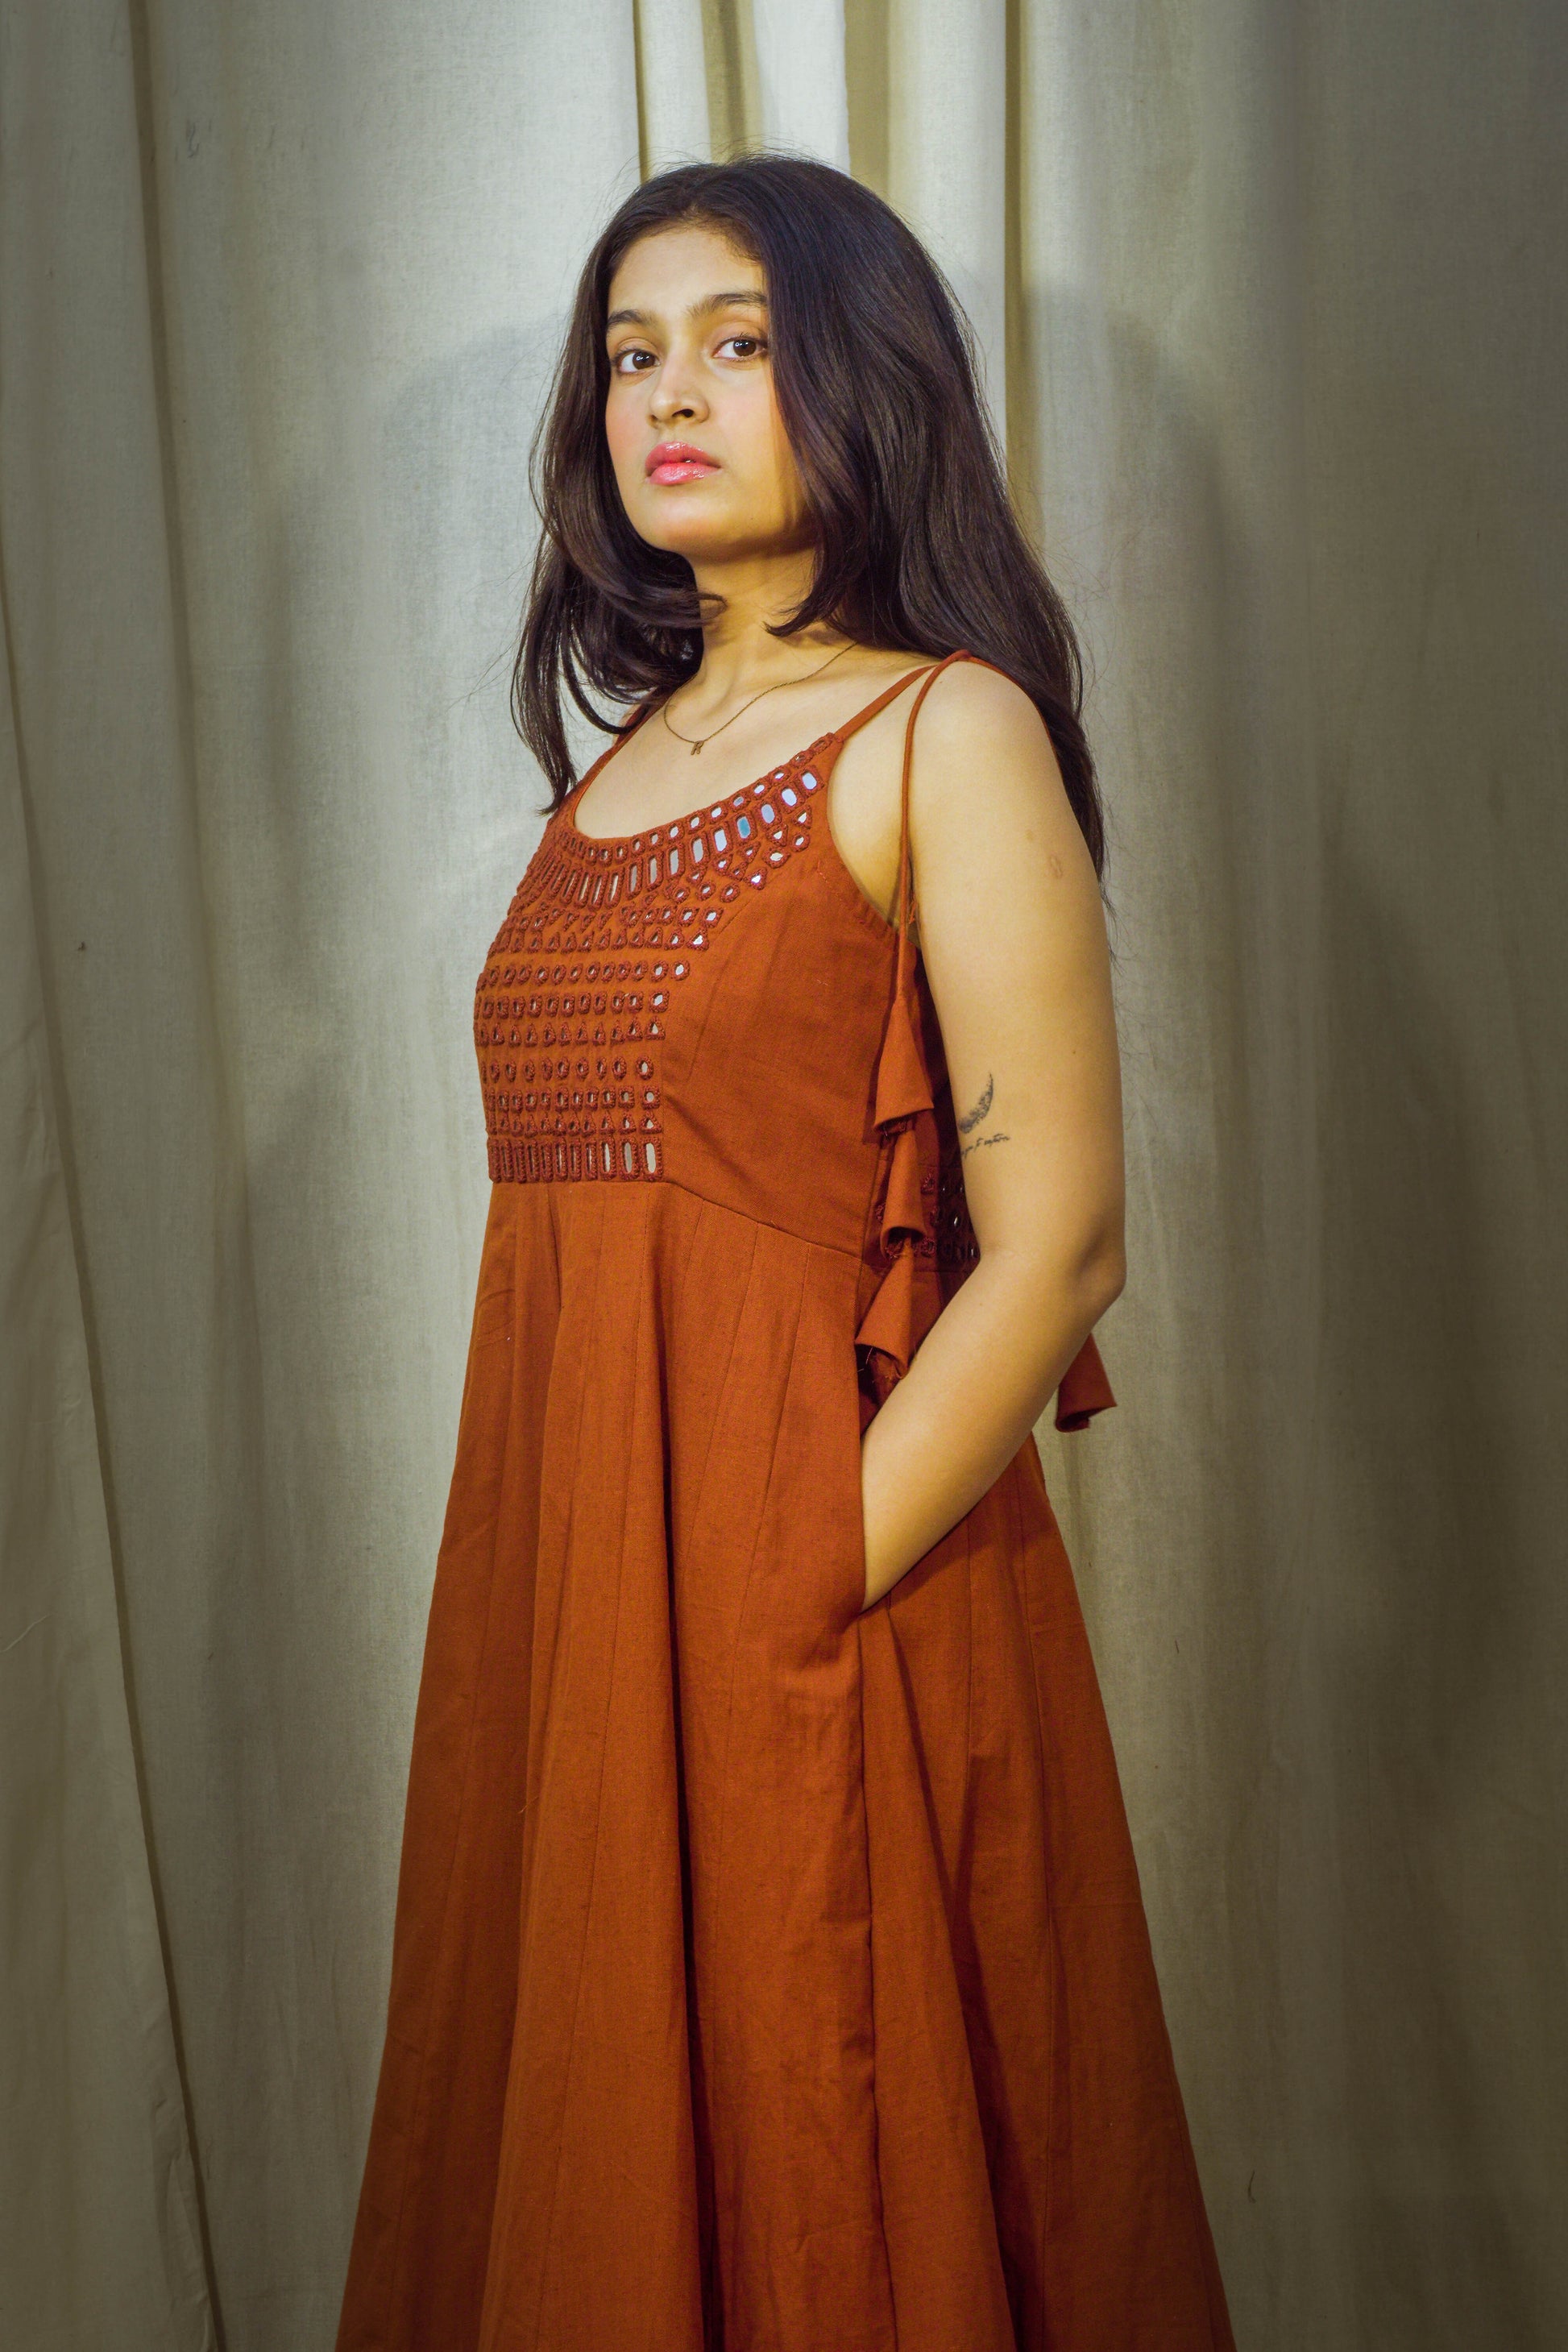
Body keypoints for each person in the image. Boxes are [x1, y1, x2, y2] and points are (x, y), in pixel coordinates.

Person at [336, 155, 1234, 2352]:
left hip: (817, 1600)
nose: (669, 394)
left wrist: (791, 1574)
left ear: (861, 376)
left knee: (835, 2166)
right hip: (574, 1598)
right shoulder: (617, 769)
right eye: (631, 354)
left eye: (737, 344)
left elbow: (1060, 1246)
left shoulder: (947, 728)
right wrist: (608, 1610)